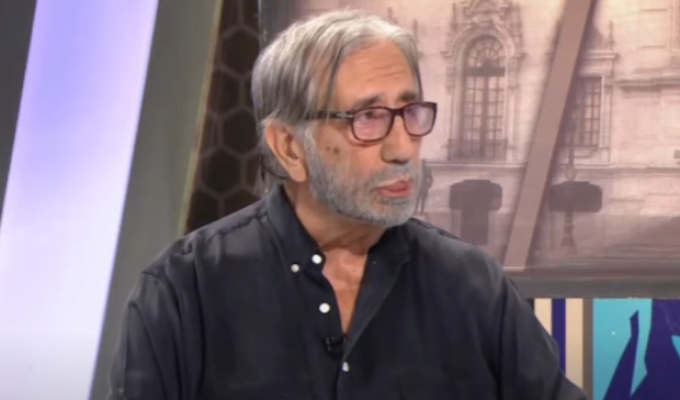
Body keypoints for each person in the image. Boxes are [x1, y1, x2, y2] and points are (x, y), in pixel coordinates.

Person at [107, 10, 586, 400]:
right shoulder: (183, 291)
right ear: (289, 148)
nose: (402, 147)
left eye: (410, 112)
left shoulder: (473, 286)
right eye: (368, 117)